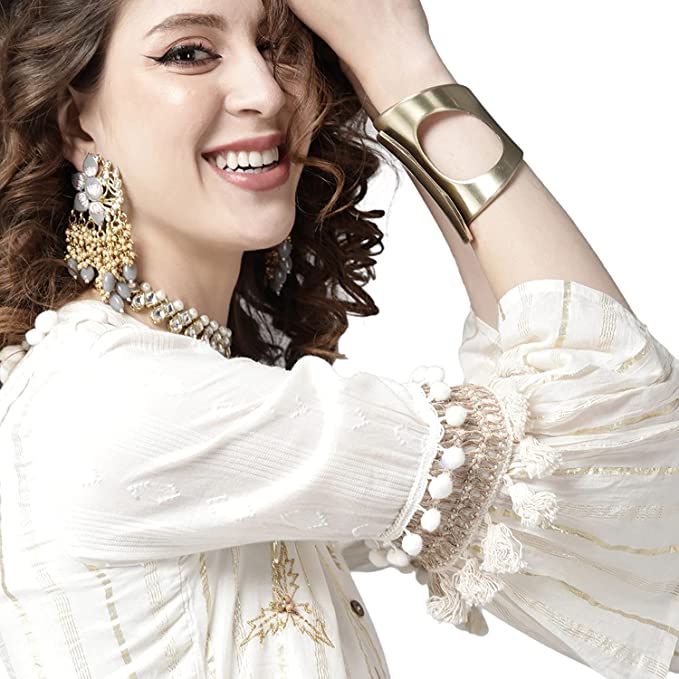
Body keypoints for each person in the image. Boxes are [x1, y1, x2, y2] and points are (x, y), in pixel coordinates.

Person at [0, 1, 677, 678]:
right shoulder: (127, 401)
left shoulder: (135, 379)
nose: (266, 92)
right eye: (188, 53)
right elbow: (616, 430)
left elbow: (588, 468)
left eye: (278, 46)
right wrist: (402, 65)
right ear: (76, 123)